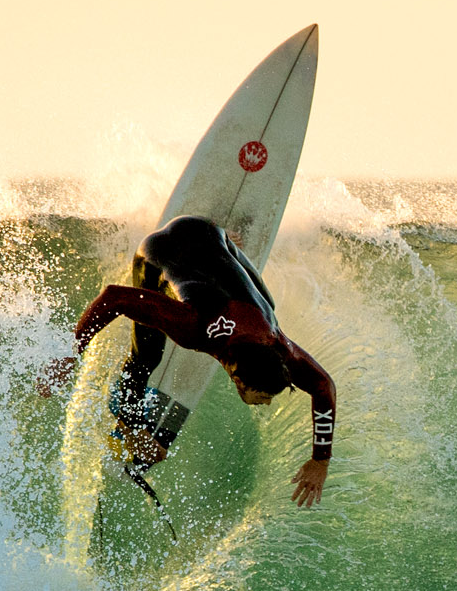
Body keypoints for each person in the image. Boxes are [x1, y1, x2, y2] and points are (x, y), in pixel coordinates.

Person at [39, 214, 336, 506]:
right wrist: (70, 354)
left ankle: (228, 240)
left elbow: (323, 386)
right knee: (146, 356)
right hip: (160, 250)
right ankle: (128, 427)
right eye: (263, 395)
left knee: (268, 305)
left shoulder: (277, 343)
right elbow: (114, 297)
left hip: (211, 233)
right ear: (238, 379)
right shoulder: (193, 327)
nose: (268, 402)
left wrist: (320, 460)